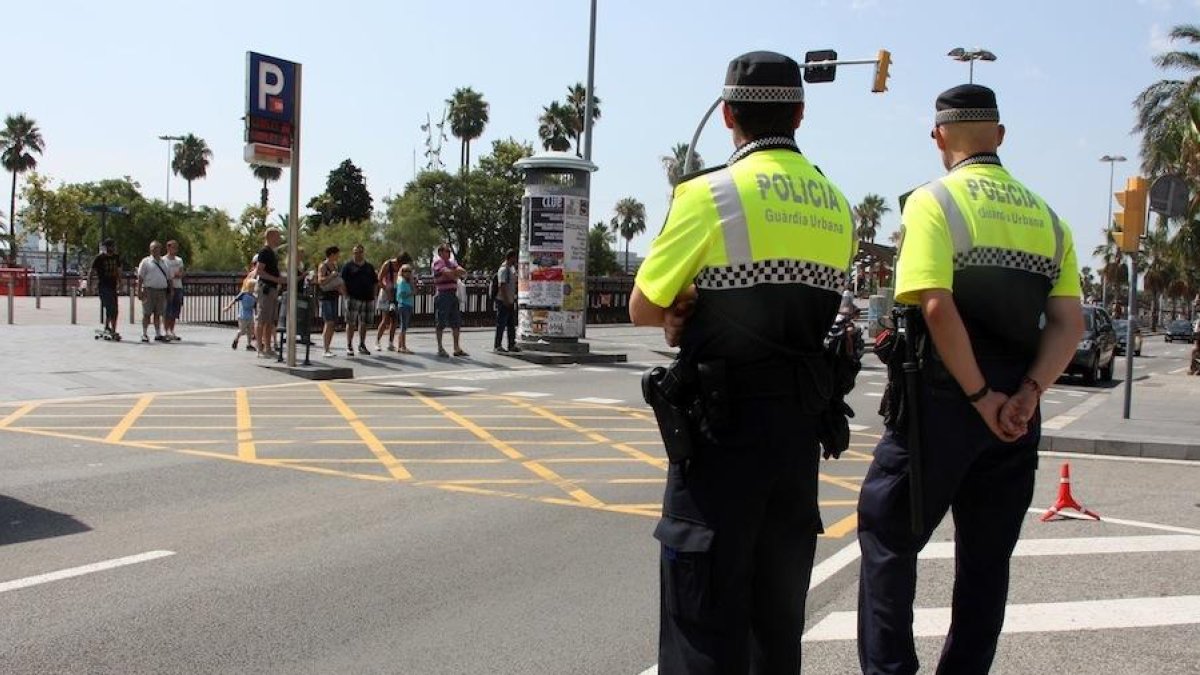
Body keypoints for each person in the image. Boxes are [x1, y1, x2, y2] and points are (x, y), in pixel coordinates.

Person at [628, 51, 857, 674]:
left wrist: (678, 312)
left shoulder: (707, 194)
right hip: (796, 443)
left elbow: (644, 305)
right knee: (775, 628)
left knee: (702, 627)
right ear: (800, 115)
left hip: (719, 440)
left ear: (727, 114)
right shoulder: (836, 206)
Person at [856, 84, 1085, 675]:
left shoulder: (935, 203)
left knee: (888, 539)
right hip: (1015, 412)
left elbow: (935, 305)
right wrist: (1025, 397)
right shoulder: (1051, 221)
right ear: (1000, 137)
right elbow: (1069, 322)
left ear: (938, 137)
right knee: (986, 563)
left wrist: (980, 396)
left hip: (942, 400)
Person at [254, 228, 288, 358]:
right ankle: (259, 347)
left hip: (273, 289)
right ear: (270, 237)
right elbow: (259, 271)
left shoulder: (273, 253)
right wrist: (276, 279)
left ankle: (268, 346)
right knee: (262, 318)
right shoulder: (264, 252)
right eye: (277, 236)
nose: (279, 239)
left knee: (270, 320)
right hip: (266, 288)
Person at [432, 243, 468, 357]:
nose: (449, 253)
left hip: (453, 294)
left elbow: (463, 272)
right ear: (440, 253)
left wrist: (453, 273)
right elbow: (448, 274)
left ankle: (456, 348)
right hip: (443, 294)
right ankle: (440, 347)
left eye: (449, 251)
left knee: (456, 322)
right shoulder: (438, 263)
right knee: (441, 322)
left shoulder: (452, 263)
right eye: (446, 251)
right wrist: (453, 274)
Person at [340, 244, 377, 356]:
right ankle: (349, 345)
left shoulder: (369, 267)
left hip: (367, 298)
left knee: (364, 322)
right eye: (355, 252)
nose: (358, 254)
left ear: (363, 253)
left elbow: (375, 282)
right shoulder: (348, 266)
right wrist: (346, 295)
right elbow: (342, 282)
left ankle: (362, 344)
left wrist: (374, 295)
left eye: (360, 252)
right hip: (353, 298)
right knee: (351, 322)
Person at [135, 240, 173, 343]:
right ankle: (144, 333)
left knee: (158, 313)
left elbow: (169, 278)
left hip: (161, 291)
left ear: (160, 249)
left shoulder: (165, 262)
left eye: (156, 248)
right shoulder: (146, 262)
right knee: (147, 313)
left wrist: (171, 291)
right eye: (152, 249)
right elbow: (140, 277)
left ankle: (158, 334)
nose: (154, 250)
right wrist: (139, 291)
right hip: (149, 290)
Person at [375, 251, 412, 352]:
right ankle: (377, 341)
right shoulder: (388, 264)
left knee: (394, 320)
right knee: (385, 318)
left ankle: (390, 343)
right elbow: (379, 279)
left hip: (397, 293)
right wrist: (386, 289)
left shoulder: (402, 268)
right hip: (387, 292)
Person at [88, 238, 123, 338]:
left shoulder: (116, 257)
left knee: (114, 308)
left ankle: (110, 327)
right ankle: (111, 328)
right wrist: (89, 285)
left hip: (113, 286)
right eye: (110, 246)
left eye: (113, 246)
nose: (112, 248)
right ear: (106, 247)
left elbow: (118, 271)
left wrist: (120, 283)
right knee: (110, 307)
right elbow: (91, 271)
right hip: (103, 286)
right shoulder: (99, 258)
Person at [317, 246, 344, 358]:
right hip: (325, 297)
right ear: (332, 254)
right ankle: (325, 349)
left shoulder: (335, 266)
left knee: (333, 323)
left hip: (334, 295)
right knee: (328, 322)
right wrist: (331, 276)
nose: (338, 256)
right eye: (337, 254)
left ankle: (328, 347)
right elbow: (320, 281)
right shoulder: (323, 266)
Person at [493, 249, 520, 353]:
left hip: (510, 300)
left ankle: (511, 345)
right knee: (501, 324)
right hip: (503, 300)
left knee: (510, 324)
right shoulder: (503, 269)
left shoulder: (511, 269)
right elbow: (502, 285)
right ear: (511, 257)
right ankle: (497, 345)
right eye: (514, 257)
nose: (515, 260)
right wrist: (505, 300)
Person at [162, 239, 185, 341]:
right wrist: (172, 275)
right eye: (173, 247)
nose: (175, 249)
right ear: (168, 247)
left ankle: (172, 330)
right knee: (167, 310)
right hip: (167, 287)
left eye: (176, 247)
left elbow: (181, 274)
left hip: (178, 287)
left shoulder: (179, 260)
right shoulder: (163, 260)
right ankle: (165, 330)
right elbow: (166, 275)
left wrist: (173, 275)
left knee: (175, 310)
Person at [224, 279, 257, 351]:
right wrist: (228, 307)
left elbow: (255, 307)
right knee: (242, 331)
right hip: (243, 315)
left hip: (250, 316)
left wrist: (256, 315)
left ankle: (249, 344)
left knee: (250, 331)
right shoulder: (243, 294)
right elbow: (235, 300)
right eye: (255, 286)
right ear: (251, 287)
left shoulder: (254, 297)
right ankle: (236, 339)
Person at [394, 263, 416, 354]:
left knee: (404, 326)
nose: (408, 273)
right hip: (404, 305)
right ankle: (403, 346)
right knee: (403, 326)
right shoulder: (402, 281)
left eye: (409, 271)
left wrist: (412, 282)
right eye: (405, 271)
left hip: (408, 305)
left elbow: (413, 289)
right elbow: (402, 294)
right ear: (402, 272)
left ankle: (400, 346)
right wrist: (412, 293)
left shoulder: (407, 281)